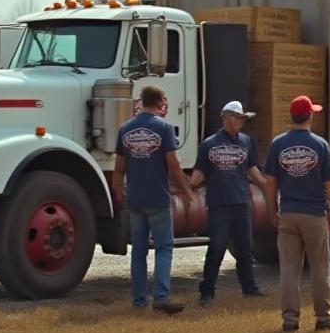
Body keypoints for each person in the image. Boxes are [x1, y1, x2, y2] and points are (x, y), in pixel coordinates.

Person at [263, 95, 330, 332]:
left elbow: (270, 182)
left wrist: (273, 210)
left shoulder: (278, 144)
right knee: (319, 267)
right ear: (310, 116)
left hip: (288, 213)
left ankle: (290, 319)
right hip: (314, 215)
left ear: (292, 116)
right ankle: (323, 317)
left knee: (289, 269)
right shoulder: (320, 145)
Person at [112, 85, 189, 313]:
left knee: (139, 251)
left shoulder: (125, 129)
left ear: (141, 102)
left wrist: (118, 189)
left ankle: (139, 300)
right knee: (163, 248)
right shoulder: (164, 128)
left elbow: (119, 167)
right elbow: (173, 164)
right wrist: (186, 189)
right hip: (158, 198)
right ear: (159, 102)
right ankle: (161, 298)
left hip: (135, 199)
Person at [188, 100, 268, 306]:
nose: (240, 122)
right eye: (237, 118)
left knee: (245, 249)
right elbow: (198, 176)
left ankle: (250, 288)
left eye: (242, 118)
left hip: (242, 203)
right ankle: (207, 292)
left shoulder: (247, 142)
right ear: (226, 118)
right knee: (216, 249)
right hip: (219, 205)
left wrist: (270, 186)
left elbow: (253, 172)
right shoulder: (209, 144)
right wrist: (187, 185)